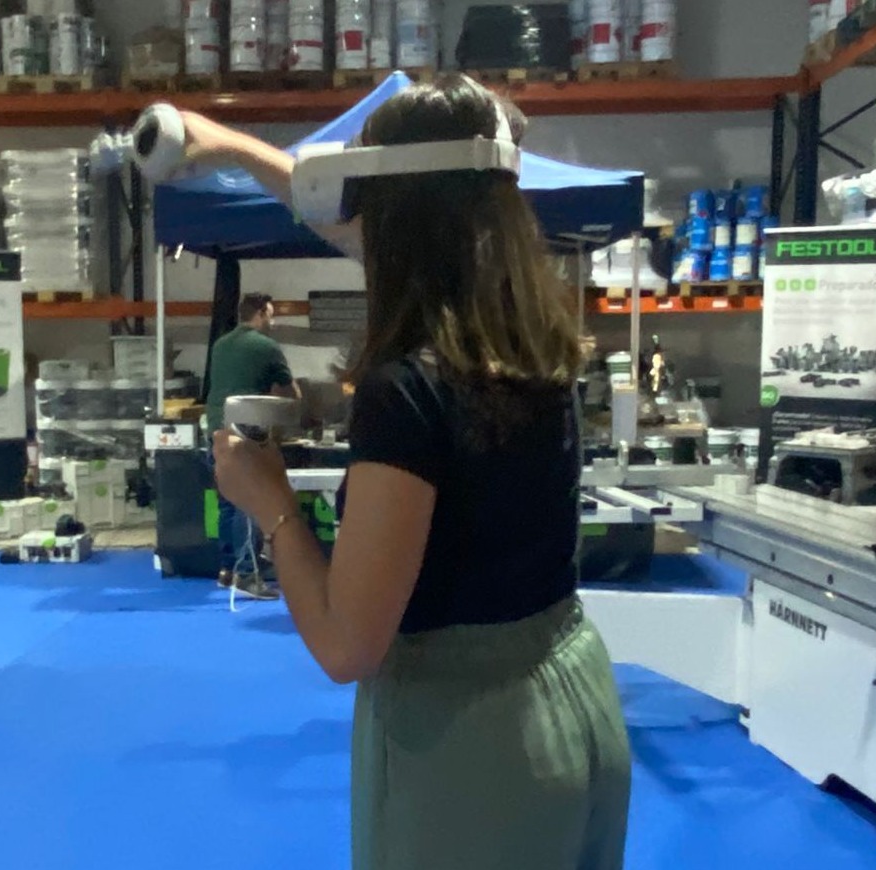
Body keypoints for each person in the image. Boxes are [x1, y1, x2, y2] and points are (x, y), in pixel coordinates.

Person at [192, 76, 632, 868]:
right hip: (571, 701)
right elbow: (347, 214)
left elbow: (346, 646)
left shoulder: (406, 391)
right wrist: (229, 149)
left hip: (473, 747)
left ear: (393, 219)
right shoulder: (528, 349)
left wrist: (271, 503)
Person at [205, 292, 300, 601]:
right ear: (259, 314)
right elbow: (292, 394)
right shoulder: (266, 347)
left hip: (216, 427)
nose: (272, 321)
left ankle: (228, 568)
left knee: (227, 500)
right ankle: (247, 573)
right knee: (247, 501)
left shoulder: (220, 344)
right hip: (245, 431)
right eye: (270, 314)